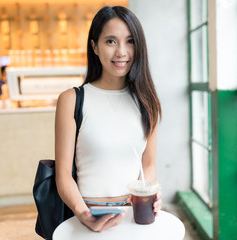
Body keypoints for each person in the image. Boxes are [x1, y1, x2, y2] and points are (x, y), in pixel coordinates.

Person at [55, 6, 162, 232]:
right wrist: (83, 213)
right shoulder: (72, 100)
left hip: (134, 218)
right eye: (111, 41)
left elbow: (148, 164)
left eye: (130, 41)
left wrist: (148, 194)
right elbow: (63, 173)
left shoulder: (148, 101)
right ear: (94, 46)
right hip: (86, 216)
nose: (121, 52)